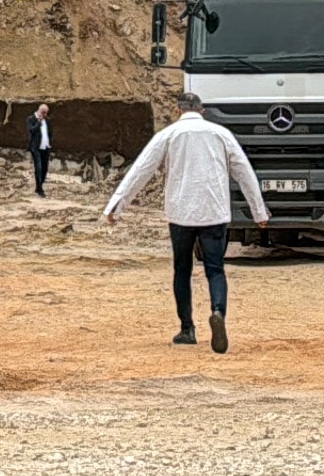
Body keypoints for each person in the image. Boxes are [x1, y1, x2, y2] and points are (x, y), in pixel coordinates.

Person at [101, 109, 269, 353]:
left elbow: (142, 169)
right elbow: (244, 172)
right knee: (215, 268)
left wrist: (116, 206)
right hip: (214, 212)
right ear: (201, 111)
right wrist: (259, 212)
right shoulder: (221, 133)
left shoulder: (169, 134)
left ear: (178, 111)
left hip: (181, 214)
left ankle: (187, 329)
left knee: (182, 270)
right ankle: (218, 312)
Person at [28, 103, 54, 197]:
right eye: (44, 113)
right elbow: (32, 130)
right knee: (38, 168)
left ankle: (39, 186)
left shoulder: (48, 120)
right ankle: (39, 189)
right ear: (40, 111)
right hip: (36, 148)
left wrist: (50, 142)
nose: (45, 115)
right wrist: (38, 122)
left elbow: (50, 133)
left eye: (46, 113)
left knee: (44, 168)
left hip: (46, 147)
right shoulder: (31, 119)